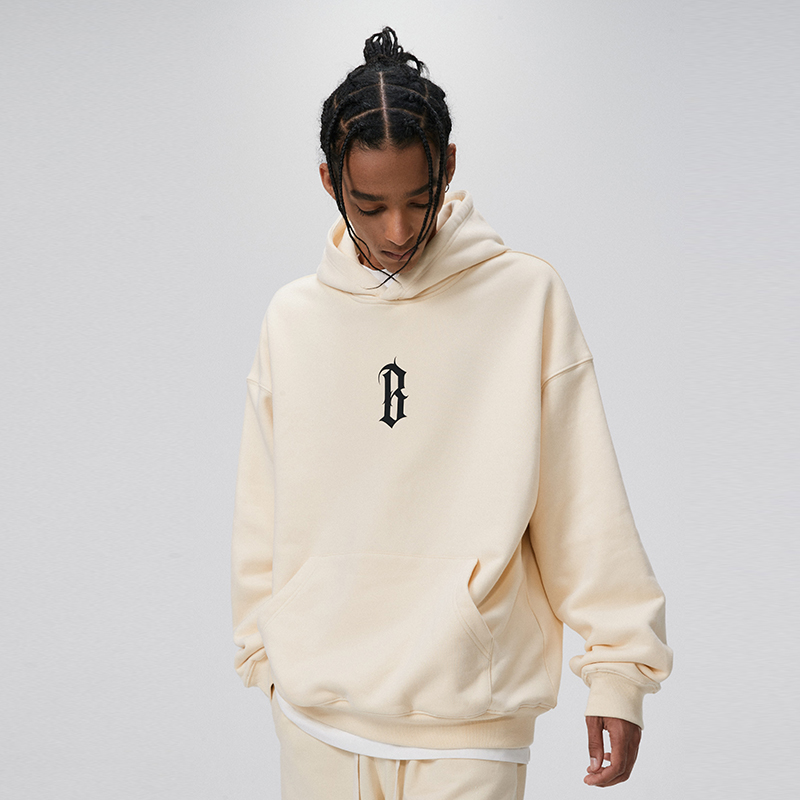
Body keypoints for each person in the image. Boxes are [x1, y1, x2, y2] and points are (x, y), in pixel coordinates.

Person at [231, 27, 672, 800]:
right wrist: (265, 658)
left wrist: (618, 670)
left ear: (450, 167)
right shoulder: (293, 319)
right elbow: (260, 508)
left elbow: (582, 497)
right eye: (370, 206)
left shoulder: (523, 298)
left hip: (472, 717)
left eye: (418, 199)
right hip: (316, 716)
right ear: (330, 182)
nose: (398, 231)